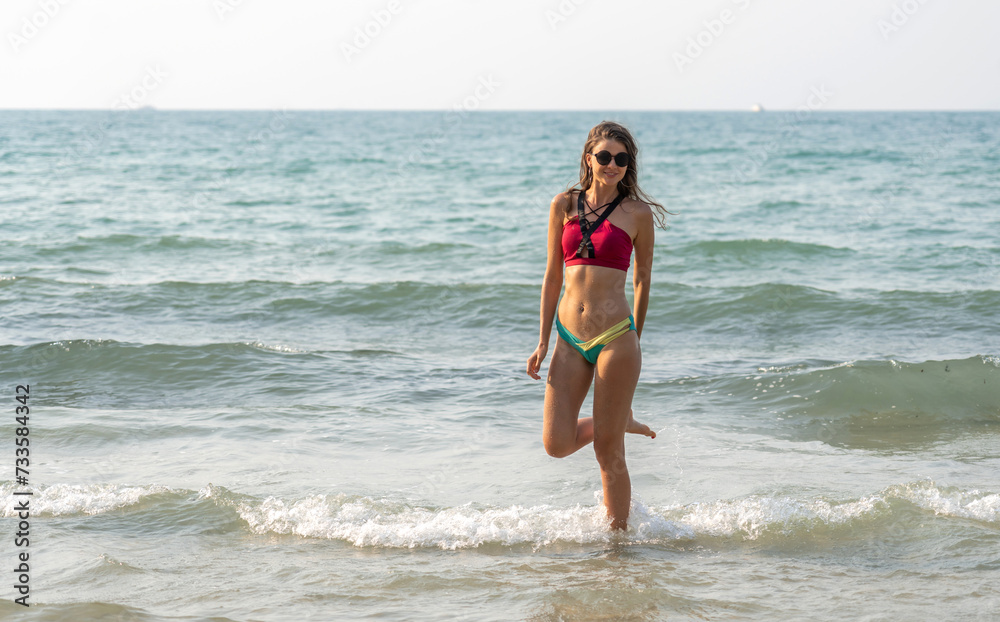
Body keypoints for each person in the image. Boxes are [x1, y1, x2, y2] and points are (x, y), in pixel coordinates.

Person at [526, 120, 671, 530]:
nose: (612, 165)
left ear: (629, 166)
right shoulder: (564, 205)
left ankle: (617, 544)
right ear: (589, 158)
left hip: (615, 340)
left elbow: (643, 278)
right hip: (569, 338)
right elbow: (552, 276)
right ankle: (618, 416)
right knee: (555, 444)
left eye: (622, 159)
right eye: (605, 156)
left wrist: (635, 337)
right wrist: (541, 341)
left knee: (609, 453)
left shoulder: (638, 214)